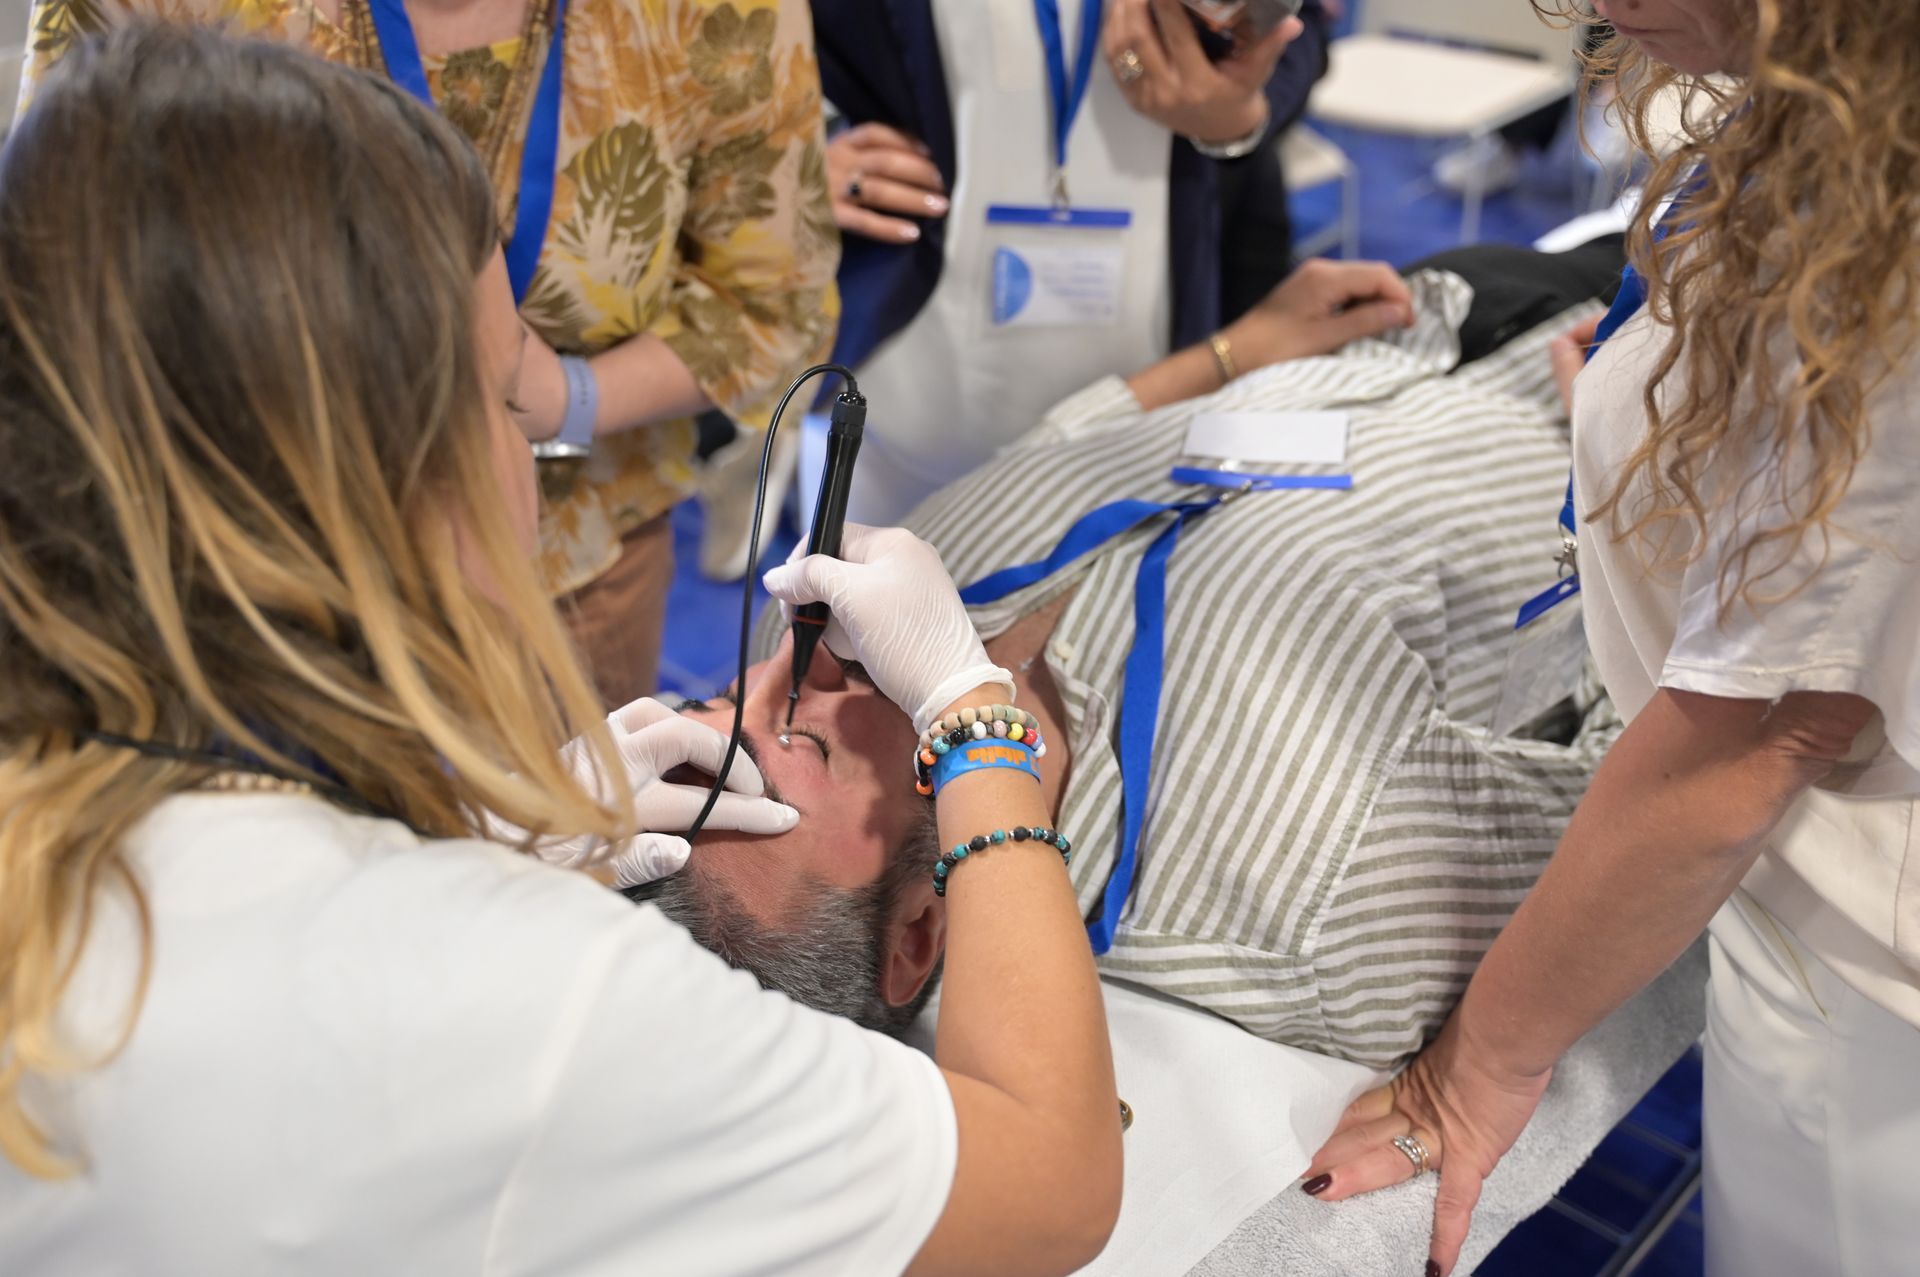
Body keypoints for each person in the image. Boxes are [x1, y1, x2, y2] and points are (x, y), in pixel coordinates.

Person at [0, 27, 1122, 1275]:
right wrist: (968, 713)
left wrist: (463, 847)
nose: (774, 685)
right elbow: (1052, 1180)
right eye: (503, 397)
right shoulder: (540, 1006)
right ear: (380, 482)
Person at [631, 250, 1633, 1067]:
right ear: (920, 931)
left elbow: (1055, 448)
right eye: (803, 742)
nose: (785, 663)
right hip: (1637, 417)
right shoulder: (1309, 915)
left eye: (714, 697)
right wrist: (1640, 500)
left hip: (1423, 313)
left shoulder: (827, 627)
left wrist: (1233, 349)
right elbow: (1628, 769)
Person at [1305, 4, 1920, 1276]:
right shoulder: (1828, 120)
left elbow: (1752, 743)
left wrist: (1476, 1069)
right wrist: (1655, 405)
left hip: (1864, 995)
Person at [21, 0, 841, 707]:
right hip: (254, 574)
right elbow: (56, 285)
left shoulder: (703, 18)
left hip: (574, 557)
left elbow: (777, 301)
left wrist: (564, 396)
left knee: (565, 822)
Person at [788, 0, 1334, 528]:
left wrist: (1240, 113)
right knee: (867, 573)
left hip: (1152, 371)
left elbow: (1298, 25)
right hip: (901, 383)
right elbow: (754, 38)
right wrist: (786, 161)